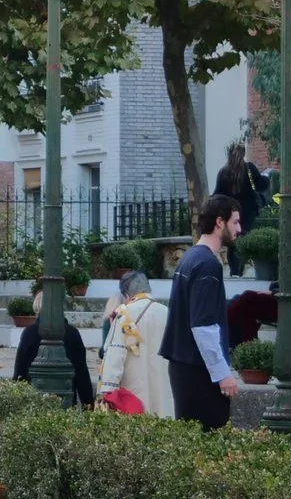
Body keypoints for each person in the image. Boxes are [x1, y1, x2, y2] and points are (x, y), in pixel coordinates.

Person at [164, 195, 243, 430]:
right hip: (199, 371)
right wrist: (222, 374)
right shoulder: (208, 264)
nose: (240, 228)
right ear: (220, 222)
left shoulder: (190, 258)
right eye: (235, 222)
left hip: (184, 366)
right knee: (209, 446)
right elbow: (203, 325)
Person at [106, 270, 171, 416]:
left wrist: (106, 392)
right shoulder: (167, 313)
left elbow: (114, 357)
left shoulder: (125, 315)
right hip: (165, 389)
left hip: (133, 394)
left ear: (126, 294)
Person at [13, 311, 94, 406]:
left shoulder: (29, 333)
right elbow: (82, 373)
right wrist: (88, 404)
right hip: (66, 395)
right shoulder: (72, 333)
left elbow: (20, 369)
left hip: (34, 396)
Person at [215, 144, 267, 270]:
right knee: (243, 238)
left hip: (230, 212)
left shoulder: (223, 172)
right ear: (243, 154)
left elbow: (218, 193)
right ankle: (240, 266)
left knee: (233, 241)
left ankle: (234, 270)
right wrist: (266, 177)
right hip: (248, 212)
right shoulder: (249, 169)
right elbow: (261, 185)